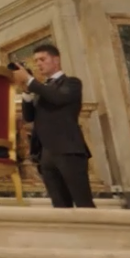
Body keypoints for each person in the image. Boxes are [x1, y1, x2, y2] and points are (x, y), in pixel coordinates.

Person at [11, 42, 94, 207]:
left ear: (56, 60)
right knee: (60, 204)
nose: (38, 64)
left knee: (83, 201)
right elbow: (29, 116)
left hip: (68, 150)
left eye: (42, 59)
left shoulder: (71, 83)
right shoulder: (42, 89)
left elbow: (58, 97)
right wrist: (26, 91)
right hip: (46, 153)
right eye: (36, 61)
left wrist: (30, 80)